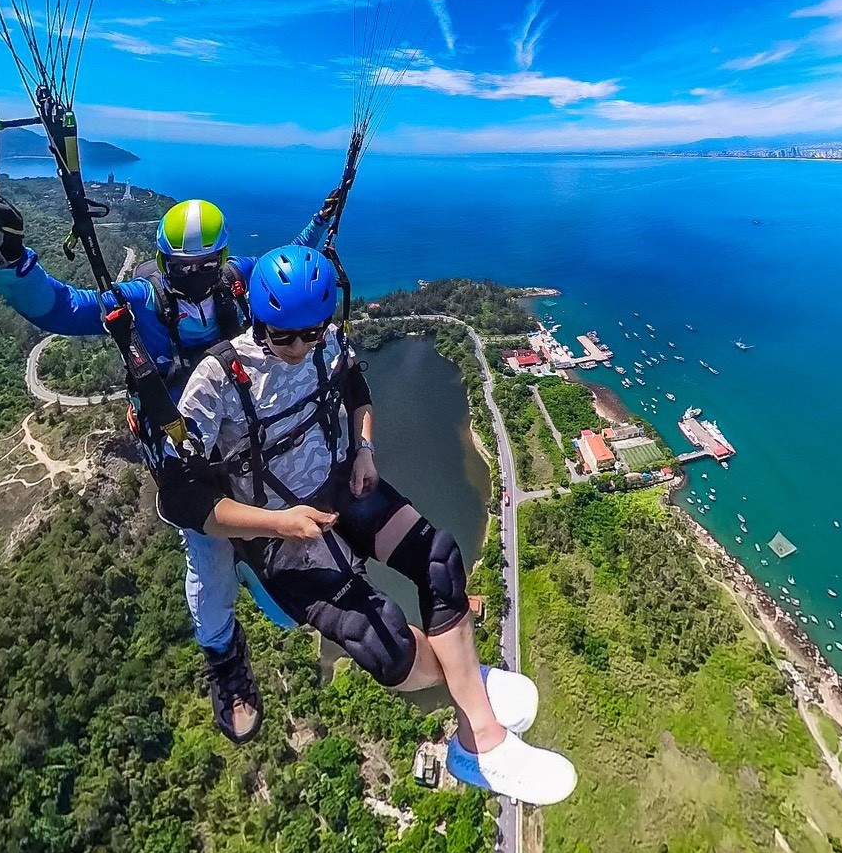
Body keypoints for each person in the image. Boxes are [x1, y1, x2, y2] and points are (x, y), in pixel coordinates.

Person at [160, 242, 577, 805]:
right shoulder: (217, 379)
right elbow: (181, 501)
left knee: (440, 558)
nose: (299, 347)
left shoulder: (325, 343)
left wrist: (363, 449)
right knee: (382, 639)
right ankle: (467, 688)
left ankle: (478, 740)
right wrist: (278, 525)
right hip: (277, 537)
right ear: (259, 322)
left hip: (340, 488)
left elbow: (355, 386)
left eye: (311, 333)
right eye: (284, 336)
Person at [0, 185, 271, 742]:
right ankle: (226, 661)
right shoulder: (145, 303)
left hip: (238, 432)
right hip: (182, 449)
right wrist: (11, 263)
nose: (197, 278)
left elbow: (294, 262)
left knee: (281, 507)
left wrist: (325, 219)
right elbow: (62, 307)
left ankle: (301, 592)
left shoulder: (237, 283)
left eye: (203, 268)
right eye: (186, 268)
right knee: (209, 551)